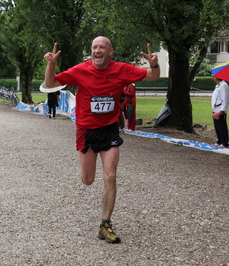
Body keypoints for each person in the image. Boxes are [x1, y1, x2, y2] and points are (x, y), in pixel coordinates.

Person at [44, 36, 160, 243]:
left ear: (110, 51)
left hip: (109, 130)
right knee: (88, 180)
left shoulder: (122, 69)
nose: (97, 50)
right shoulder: (80, 70)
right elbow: (50, 82)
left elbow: (152, 76)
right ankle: (88, 176)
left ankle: (105, 224)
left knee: (111, 176)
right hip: (87, 130)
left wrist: (154, 64)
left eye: (102, 47)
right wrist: (51, 65)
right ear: (92, 51)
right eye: (94, 47)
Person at [211, 77, 229, 148]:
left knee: (222, 126)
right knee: (217, 126)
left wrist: (223, 110)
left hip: (220, 109)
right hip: (216, 109)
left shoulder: (223, 85)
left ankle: (224, 142)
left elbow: (225, 98)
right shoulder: (218, 86)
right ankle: (219, 140)